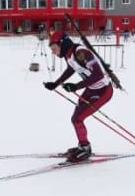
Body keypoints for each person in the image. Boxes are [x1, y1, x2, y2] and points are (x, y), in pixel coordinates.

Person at [43, 31, 113, 163]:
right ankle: (83, 145)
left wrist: (76, 86)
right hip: (91, 89)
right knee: (76, 118)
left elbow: (98, 75)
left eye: (54, 49)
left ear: (62, 44)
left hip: (103, 91)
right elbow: (71, 69)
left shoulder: (81, 53)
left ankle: (85, 149)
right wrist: (56, 84)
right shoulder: (69, 54)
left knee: (78, 118)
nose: (53, 52)